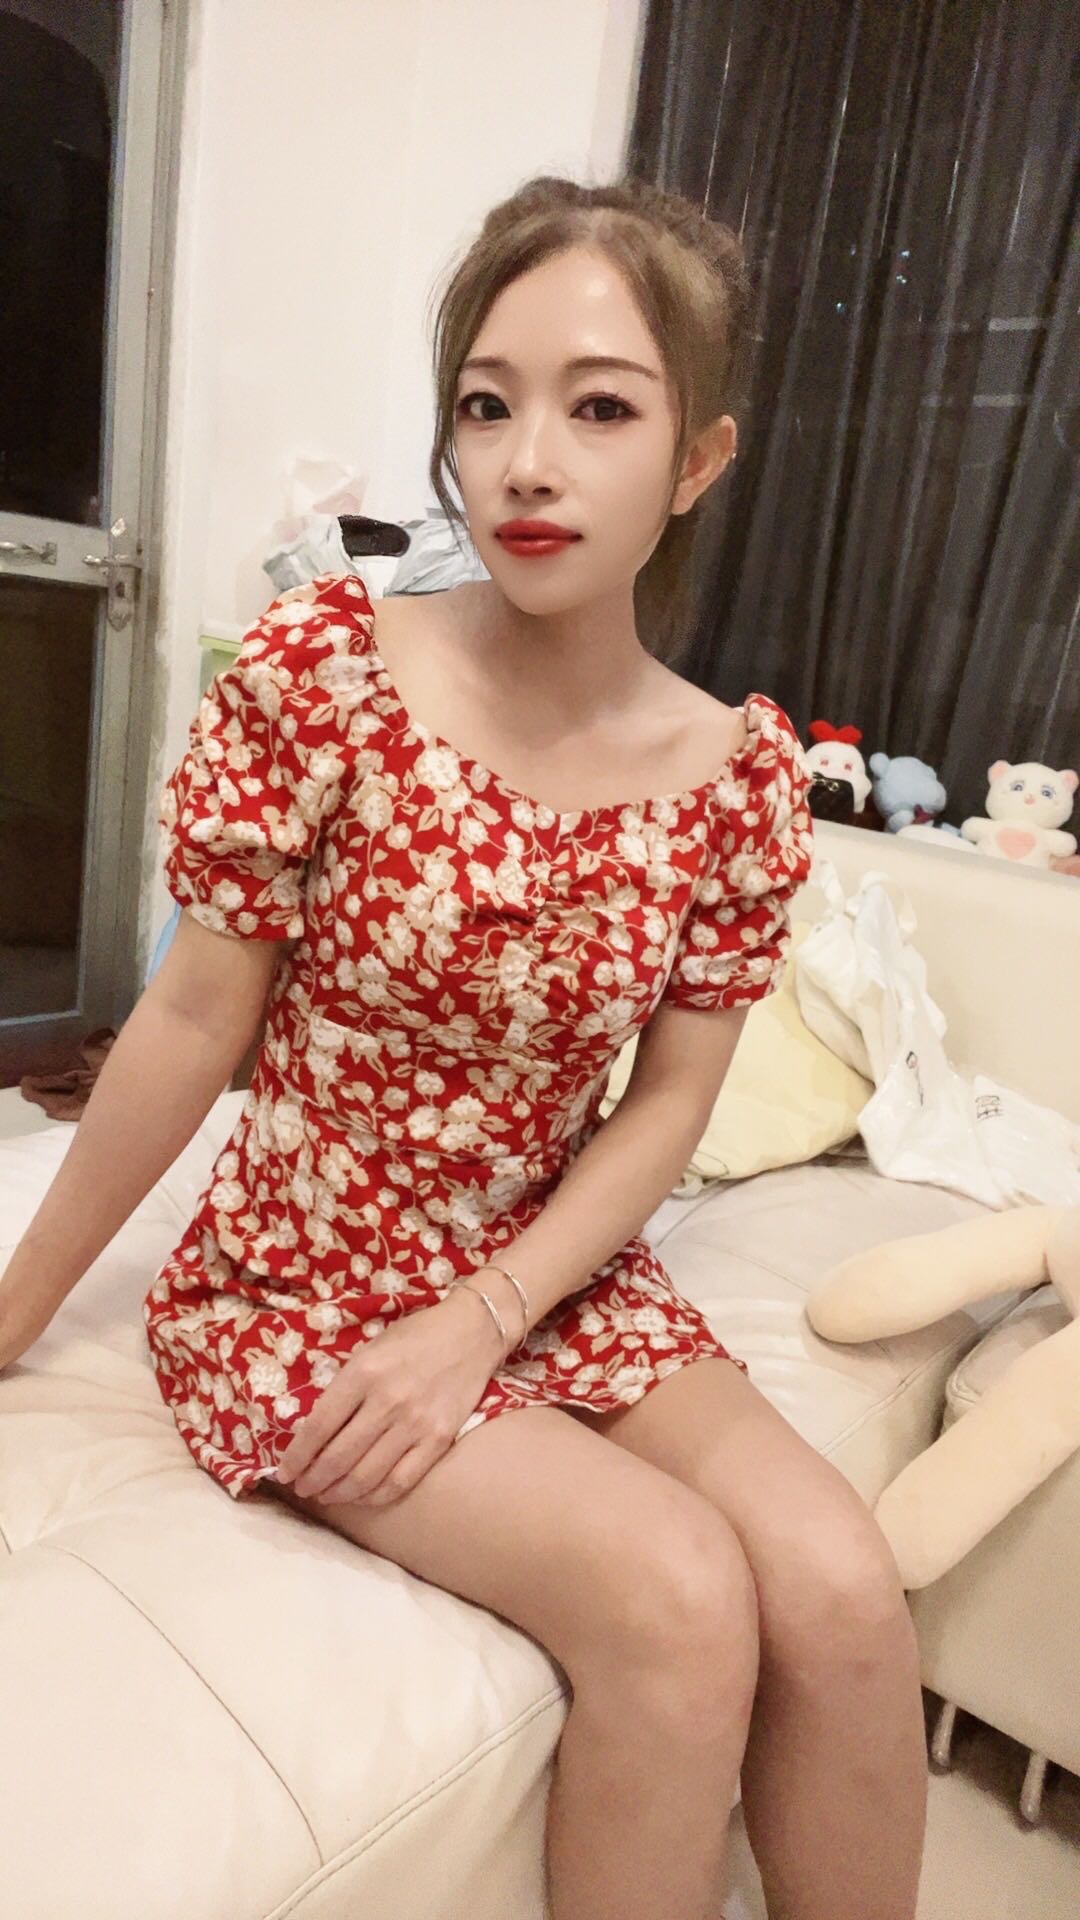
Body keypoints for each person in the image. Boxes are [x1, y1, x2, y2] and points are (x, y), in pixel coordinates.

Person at [0, 176, 926, 1920]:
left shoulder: (736, 776)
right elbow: (192, 1019)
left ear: (701, 459)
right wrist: (18, 1303)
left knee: (843, 1594)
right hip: (304, 1285)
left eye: (601, 410)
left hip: (551, 1271)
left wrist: (488, 1315)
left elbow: (671, 1106)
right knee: (678, 1600)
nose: (526, 464)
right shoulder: (330, 672)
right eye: (487, 406)